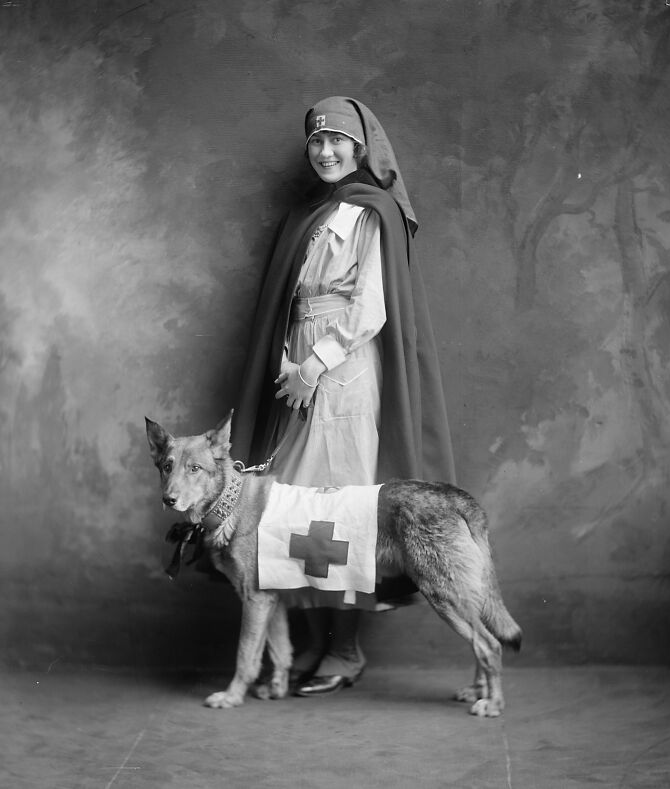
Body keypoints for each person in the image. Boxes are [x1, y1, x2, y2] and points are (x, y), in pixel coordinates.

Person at [231, 96, 455, 696]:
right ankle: (312, 647)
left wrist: (315, 365)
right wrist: (287, 365)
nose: (326, 152)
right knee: (292, 504)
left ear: (360, 147)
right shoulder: (309, 212)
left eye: (337, 141)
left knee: (341, 506)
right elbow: (287, 305)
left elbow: (370, 308)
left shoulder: (369, 212)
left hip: (344, 369)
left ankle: (346, 651)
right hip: (298, 368)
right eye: (316, 142)